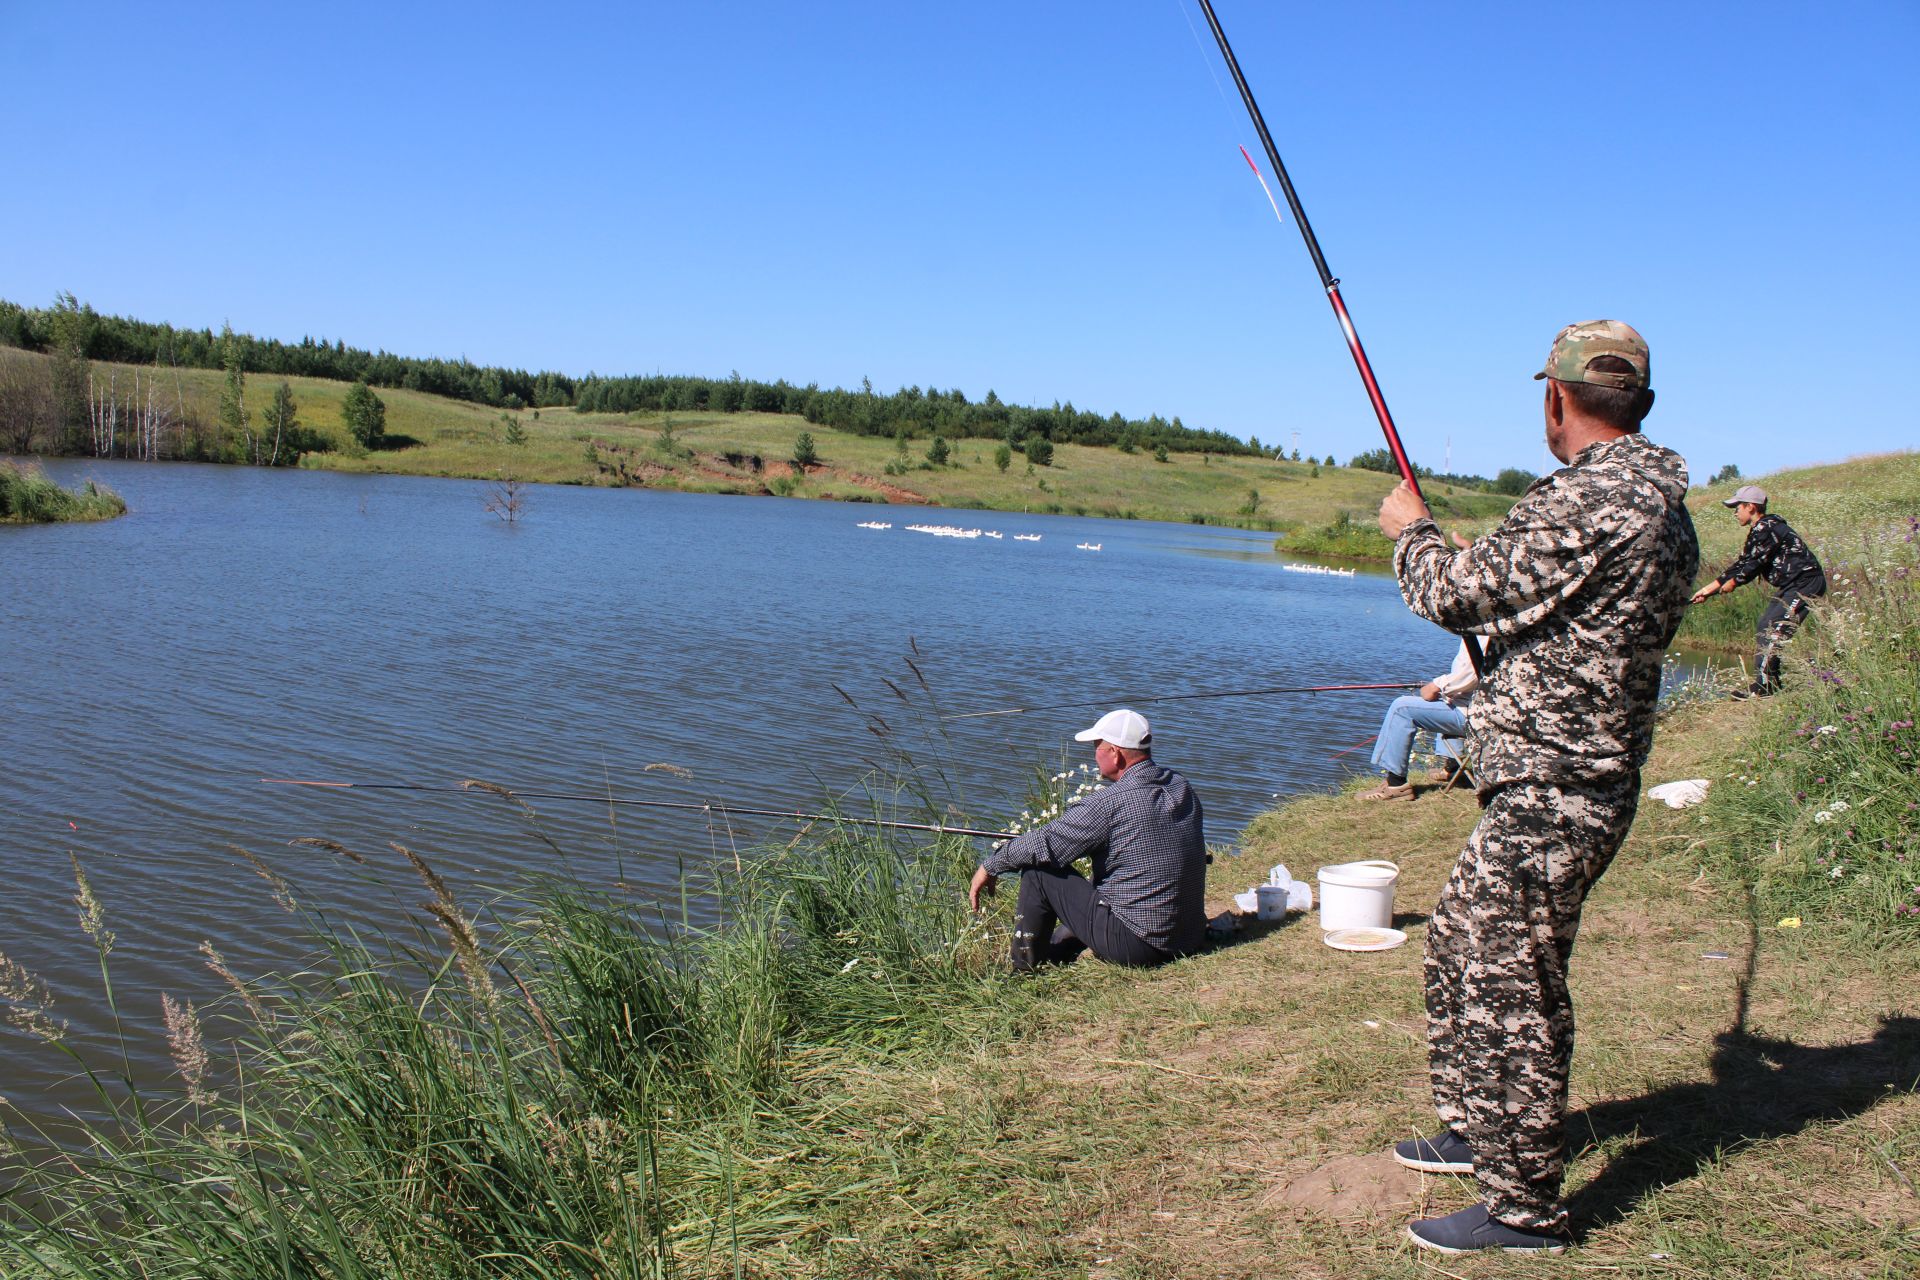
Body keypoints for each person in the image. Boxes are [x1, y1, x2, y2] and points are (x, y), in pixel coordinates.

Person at [1375, 320, 1698, 1254]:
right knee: (1457, 944)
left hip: (1560, 783)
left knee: (1512, 976)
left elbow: (1452, 593)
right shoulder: (1660, 510)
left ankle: (1525, 1209)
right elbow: (1562, 609)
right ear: (1640, 401)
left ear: (1555, 398)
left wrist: (1413, 533)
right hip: (1564, 777)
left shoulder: (1587, 500)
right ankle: (1480, 1126)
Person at [968, 708, 1208, 972]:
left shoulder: (1108, 803)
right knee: (1101, 878)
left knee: (1038, 873)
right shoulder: (1180, 786)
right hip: (1188, 937)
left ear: (1115, 753)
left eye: (1097, 747)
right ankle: (1058, 951)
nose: (1095, 754)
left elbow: (1043, 844)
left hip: (1141, 945)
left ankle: (1024, 971)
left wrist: (990, 866)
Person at [1689, 484, 1826, 697]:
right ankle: (1769, 683)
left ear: (1751, 507)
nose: (1735, 513)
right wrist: (1709, 589)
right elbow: (1744, 562)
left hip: (1805, 583)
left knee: (1774, 630)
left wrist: (1734, 582)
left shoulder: (1766, 528)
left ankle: (1765, 688)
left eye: (1737, 507)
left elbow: (1751, 566)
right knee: (1766, 625)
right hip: (1794, 585)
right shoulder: (1762, 528)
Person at [1357, 639, 1479, 800]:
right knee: (1446, 701)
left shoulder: (1485, 634)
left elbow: (1473, 672)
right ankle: (1453, 769)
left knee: (1401, 708)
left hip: (1477, 715)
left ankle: (1396, 785)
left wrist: (1437, 685)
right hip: (1480, 709)